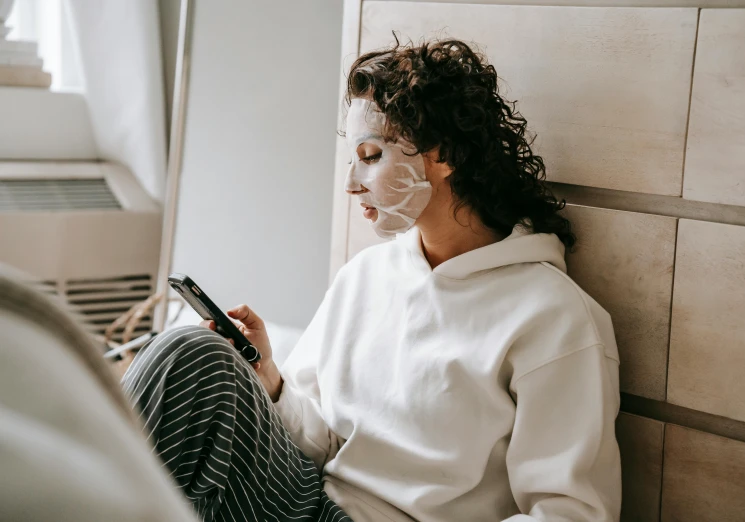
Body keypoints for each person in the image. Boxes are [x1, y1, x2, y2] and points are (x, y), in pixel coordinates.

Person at [122, 36, 621, 522]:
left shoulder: (552, 316)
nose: (350, 183)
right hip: (312, 500)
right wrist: (270, 380)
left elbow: (570, 512)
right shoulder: (366, 276)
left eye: (370, 157)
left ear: (441, 153)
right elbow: (325, 444)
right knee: (192, 354)